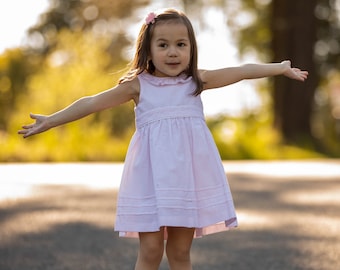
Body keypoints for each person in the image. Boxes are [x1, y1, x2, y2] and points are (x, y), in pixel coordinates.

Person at [18, 8, 308, 270]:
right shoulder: (137, 86)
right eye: (163, 45)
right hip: (151, 180)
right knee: (151, 250)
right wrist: (51, 120)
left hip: (186, 180)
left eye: (181, 45)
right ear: (148, 49)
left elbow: (241, 72)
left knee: (180, 252)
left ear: (191, 48)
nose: (173, 52)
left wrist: (279, 68)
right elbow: (92, 102)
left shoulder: (196, 81)